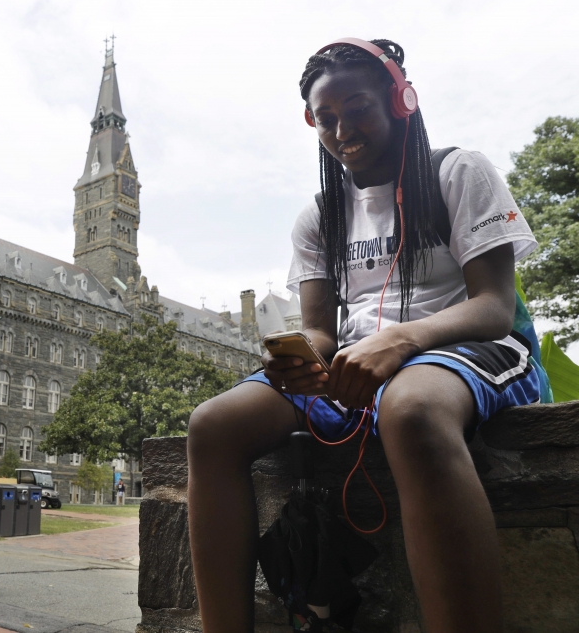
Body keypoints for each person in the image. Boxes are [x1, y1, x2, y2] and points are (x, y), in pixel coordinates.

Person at [187, 38, 541, 633]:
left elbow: (494, 308)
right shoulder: (318, 217)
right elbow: (322, 331)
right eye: (325, 119)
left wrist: (401, 340)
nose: (341, 129)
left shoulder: (457, 172)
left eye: (357, 108)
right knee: (213, 425)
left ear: (401, 100)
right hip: (357, 361)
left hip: (467, 349)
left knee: (413, 411)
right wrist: (298, 362)